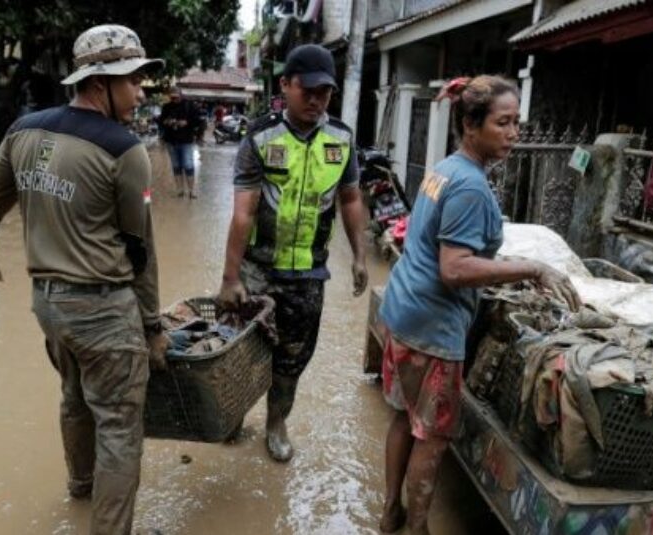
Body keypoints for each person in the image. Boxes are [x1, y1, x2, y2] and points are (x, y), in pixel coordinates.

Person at [0, 24, 167, 535]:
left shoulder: (25, 130)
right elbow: (139, 248)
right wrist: (153, 324)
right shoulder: (125, 150)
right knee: (120, 428)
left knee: (75, 397)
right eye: (134, 79)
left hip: (48, 306)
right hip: (102, 310)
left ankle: (80, 487)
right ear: (99, 83)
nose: (141, 91)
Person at [376, 75, 582, 535]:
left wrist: (505, 264)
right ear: (471, 125)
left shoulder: (445, 168)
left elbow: (443, 249)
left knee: (402, 418)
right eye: (503, 122)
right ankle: (418, 528)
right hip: (433, 325)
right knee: (431, 436)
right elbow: (454, 268)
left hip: (402, 309)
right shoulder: (470, 187)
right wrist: (532, 269)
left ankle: (390, 512)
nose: (513, 133)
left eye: (517, 123)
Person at [217, 44, 369, 462]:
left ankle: (276, 423)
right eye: (309, 90)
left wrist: (359, 256)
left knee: (292, 357)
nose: (318, 101)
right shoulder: (261, 137)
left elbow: (351, 199)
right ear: (285, 85)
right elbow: (243, 212)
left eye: (326, 93)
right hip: (258, 270)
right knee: (239, 351)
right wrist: (230, 278)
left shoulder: (341, 139)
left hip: (308, 275)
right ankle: (230, 416)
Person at [158, 88, 204, 198]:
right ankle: (180, 190)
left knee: (188, 165)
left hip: (186, 140)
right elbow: (161, 122)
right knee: (176, 166)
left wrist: (187, 123)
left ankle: (191, 191)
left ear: (181, 95)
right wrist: (167, 122)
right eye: (172, 98)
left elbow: (198, 121)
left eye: (176, 97)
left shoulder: (190, 106)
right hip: (171, 140)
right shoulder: (166, 107)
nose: (174, 100)